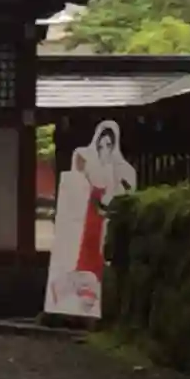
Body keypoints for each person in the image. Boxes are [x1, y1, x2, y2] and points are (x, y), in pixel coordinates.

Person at [71, 120, 137, 284]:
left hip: (110, 218)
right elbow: (77, 184)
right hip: (91, 217)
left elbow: (127, 194)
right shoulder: (88, 163)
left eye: (108, 145)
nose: (104, 150)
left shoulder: (124, 169)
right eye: (100, 146)